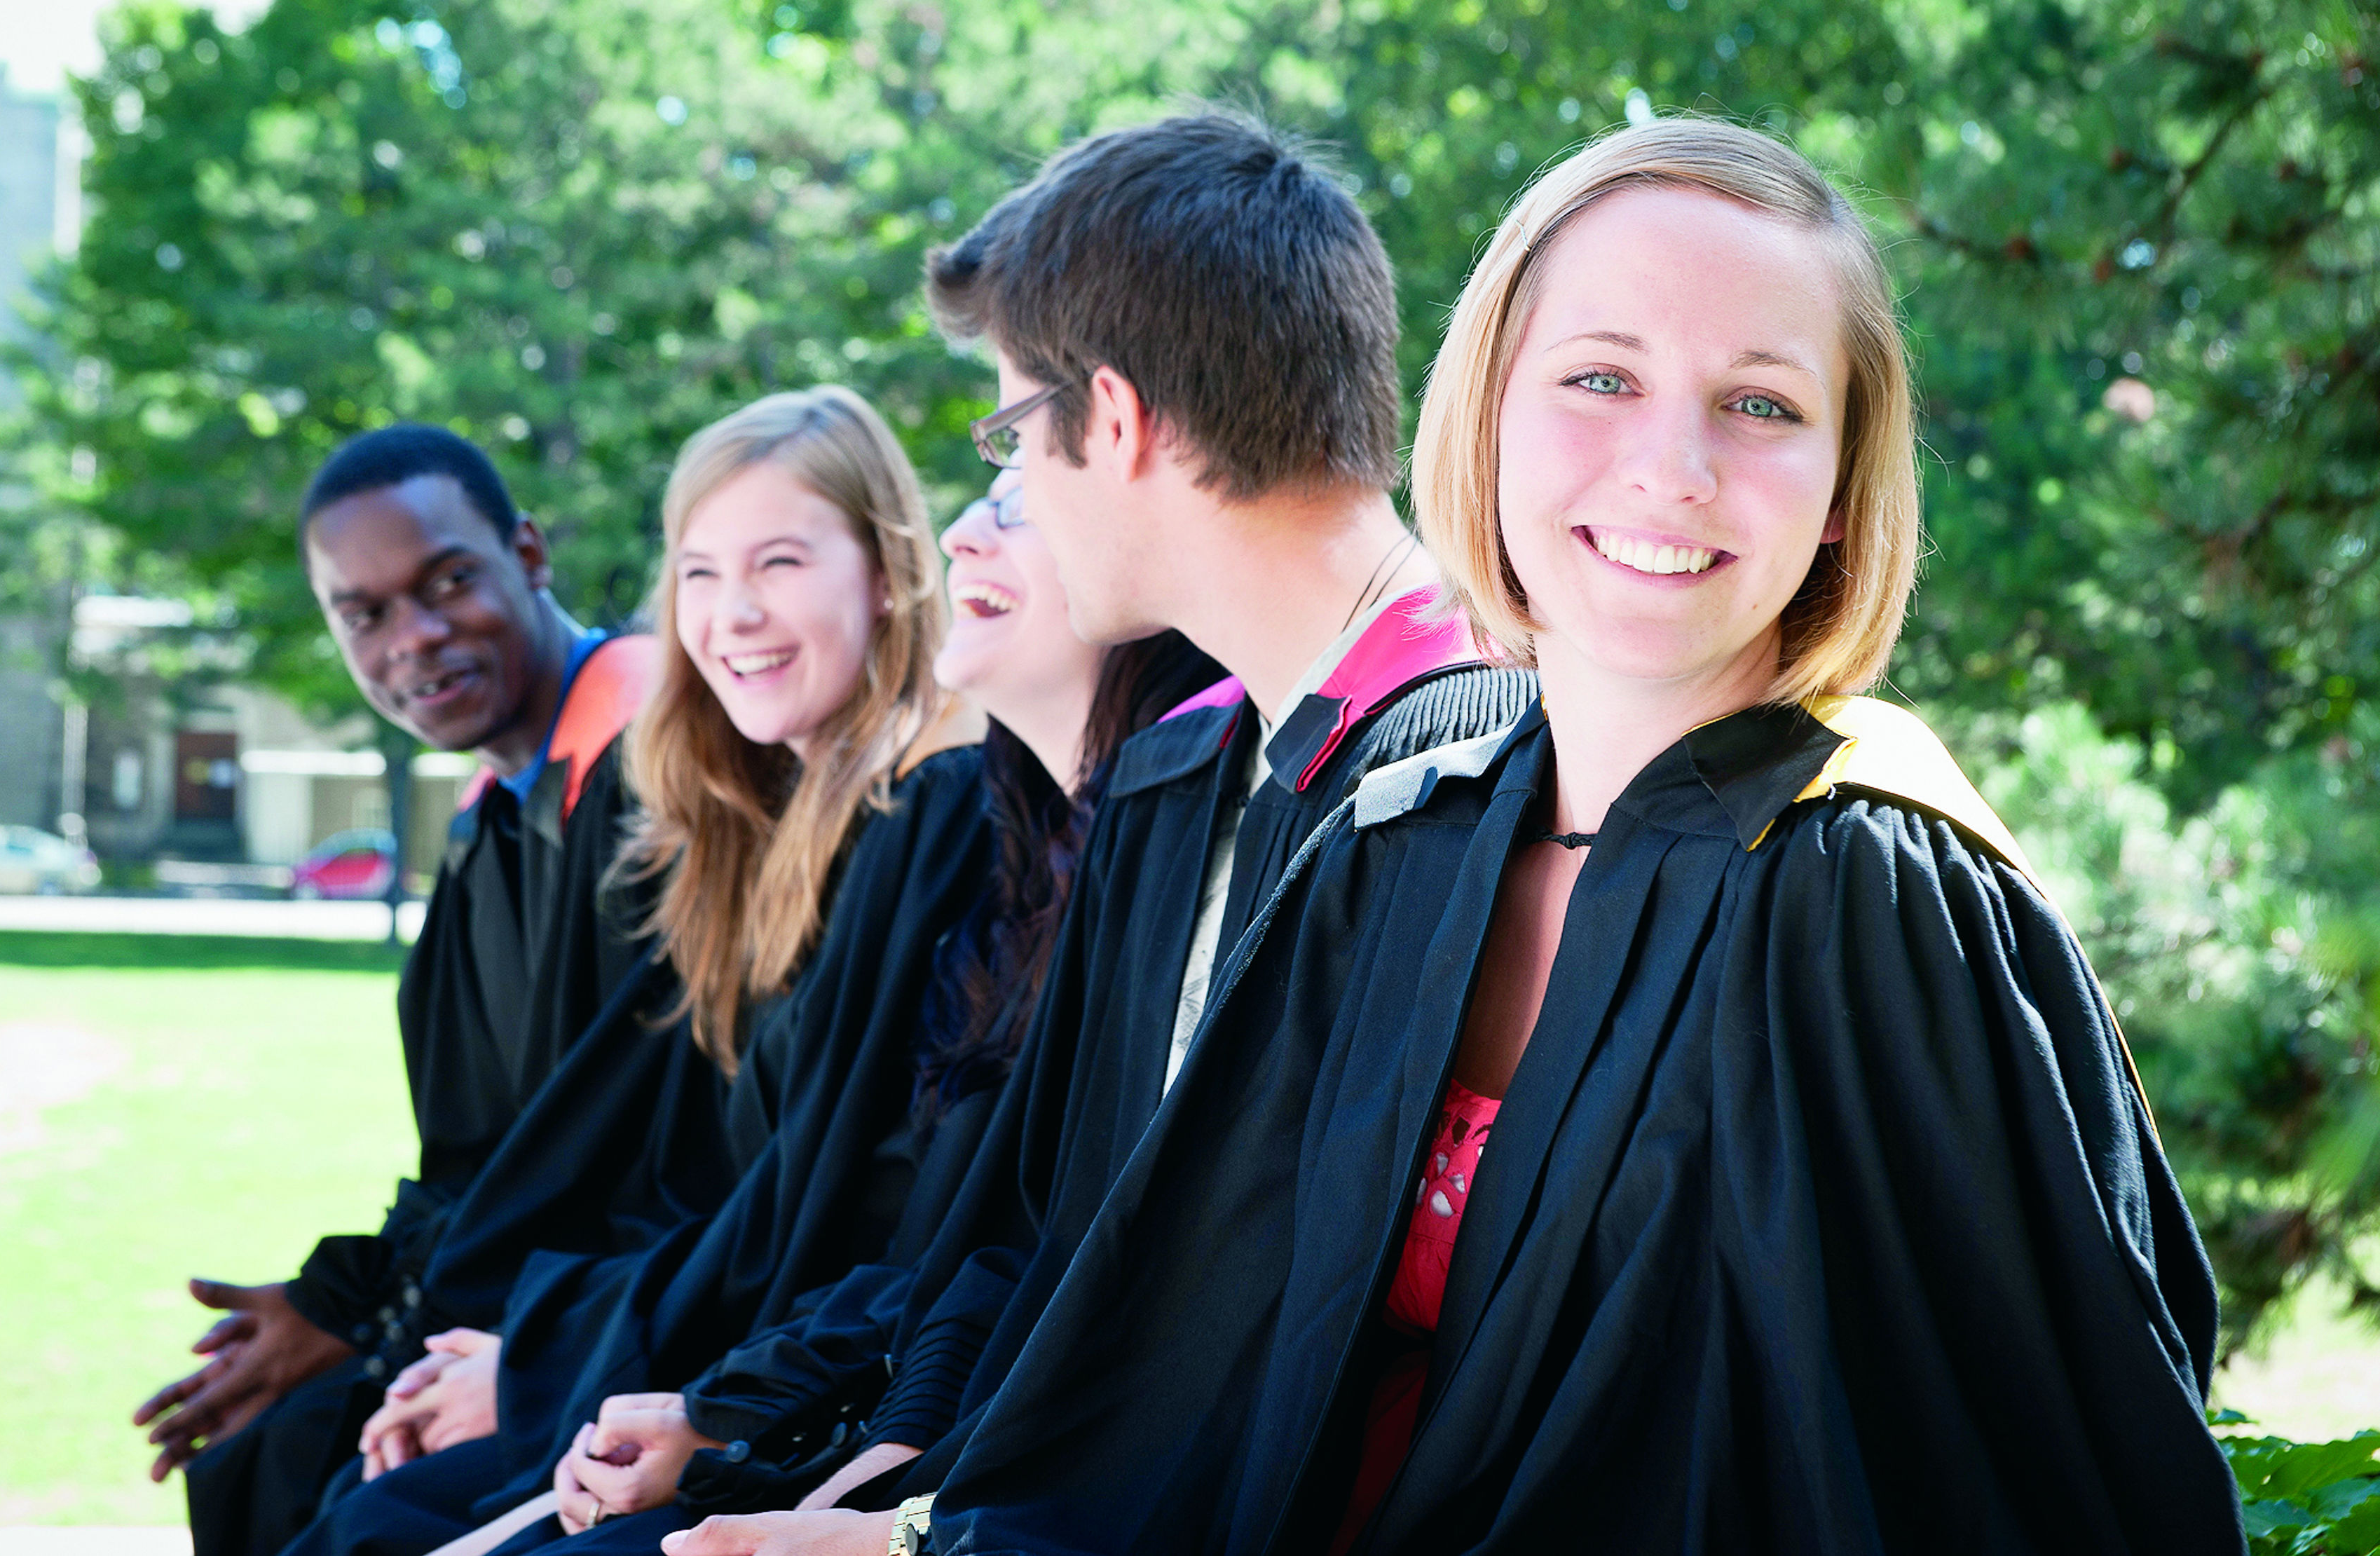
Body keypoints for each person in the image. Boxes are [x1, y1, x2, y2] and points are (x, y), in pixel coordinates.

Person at [915, 118, 2249, 1555]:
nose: (1672, 467)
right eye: (1600, 378)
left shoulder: (1870, 895)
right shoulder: (1393, 847)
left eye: (1762, 406)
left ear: (1845, 489)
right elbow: (1183, 1381)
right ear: (1484, 411)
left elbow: (1999, 1484)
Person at [652, 109, 1536, 1556]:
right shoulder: (1176, 775)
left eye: (1014, 432)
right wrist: (885, 1474)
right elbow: (1041, 1229)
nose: (1001, 498)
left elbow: (1280, 1354)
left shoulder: (1477, 787)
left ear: (1112, 421)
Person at [269, 413, 1212, 1556]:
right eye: (700, 572)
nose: (734, 613)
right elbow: (678, 1181)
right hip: (735, 1362)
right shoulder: (736, 836)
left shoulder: (938, 822)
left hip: (807, 1384)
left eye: (779, 562)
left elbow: (859, 1221)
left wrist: (566, 1367)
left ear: (886, 573)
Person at [135, 424, 717, 1556]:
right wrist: (345, 1309)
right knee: (266, 1460)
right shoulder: (489, 819)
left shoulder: (668, 771)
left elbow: (651, 1157)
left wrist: (496, 1352)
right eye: (366, 614)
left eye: (448, 582)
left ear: (530, 554)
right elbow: (482, 1154)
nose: (417, 638)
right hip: (522, 1314)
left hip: (642, 1335)